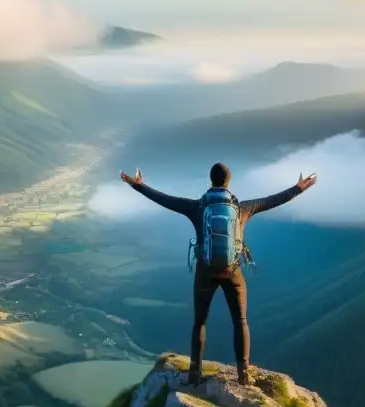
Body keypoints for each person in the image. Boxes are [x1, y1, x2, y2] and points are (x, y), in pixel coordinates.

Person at [119, 162, 317, 386]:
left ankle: (195, 374)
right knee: (240, 321)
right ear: (228, 182)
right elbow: (273, 200)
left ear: (210, 181)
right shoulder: (242, 208)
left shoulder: (198, 208)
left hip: (206, 272)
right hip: (233, 272)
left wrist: (138, 186)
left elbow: (166, 200)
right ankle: (244, 375)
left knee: (200, 323)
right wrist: (299, 188)